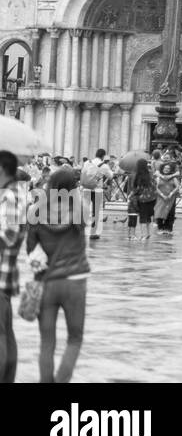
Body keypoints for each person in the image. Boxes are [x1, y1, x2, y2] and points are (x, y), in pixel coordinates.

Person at [27, 166, 90, 382]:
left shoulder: (36, 211)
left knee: (47, 342)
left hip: (47, 282)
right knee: (74, 338)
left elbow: (30, 251)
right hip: (75, 280)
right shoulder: (79, 210)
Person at [0, 150, 23, 383]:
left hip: (1, 272)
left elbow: (9, 233)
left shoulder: (10, 195)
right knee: (5, 331)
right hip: (5, 272)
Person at [78, 150, 111, 241]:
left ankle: (81, 231)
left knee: (85, 209)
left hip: (86, 189)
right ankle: (94, 232)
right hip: (97, 190)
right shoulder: (104, 165)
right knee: (96, 211)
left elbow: (82, 173)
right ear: (103, 156)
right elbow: (111, 176)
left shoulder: (87, 162)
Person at [125, 159, 156, 241]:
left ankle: (139, 235)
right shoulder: (150, 174)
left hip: (140, 198)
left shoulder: (136, 175)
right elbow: (154, 185)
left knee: (139, 217)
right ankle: (147, 234)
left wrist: (130, 195)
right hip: (151, 198)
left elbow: (136, 188)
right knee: (148, 216)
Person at [153, 158, 181, 235]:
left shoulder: (173, 178)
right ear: (163, 169)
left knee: (170, 212)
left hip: (170, 198)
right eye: (165, 168)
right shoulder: (158, 177)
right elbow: (156, 187)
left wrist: (171, 194)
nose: (166, 169)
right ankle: (160, 227)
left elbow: (177, 186)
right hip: (160, 197)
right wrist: (162, 195)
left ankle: (168, 229)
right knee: (159, 211)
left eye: (168, 168)